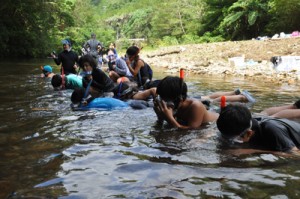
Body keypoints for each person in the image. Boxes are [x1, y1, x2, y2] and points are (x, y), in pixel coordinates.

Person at [217, 104, 300, 153]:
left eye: (236, 139)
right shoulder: (233, 125)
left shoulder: (272, 130)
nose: (230, 141)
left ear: (249, 133)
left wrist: (252, 151)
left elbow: (295, 154)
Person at [154, 76, 219, 129]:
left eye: (167, 100)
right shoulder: (175, 106)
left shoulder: (195, 106)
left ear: (180, 99)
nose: (164, 103)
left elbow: (192, 130)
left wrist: (170, 119)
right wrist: (160, 116)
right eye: (162, 98)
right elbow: (161, 124)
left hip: (216, 122)